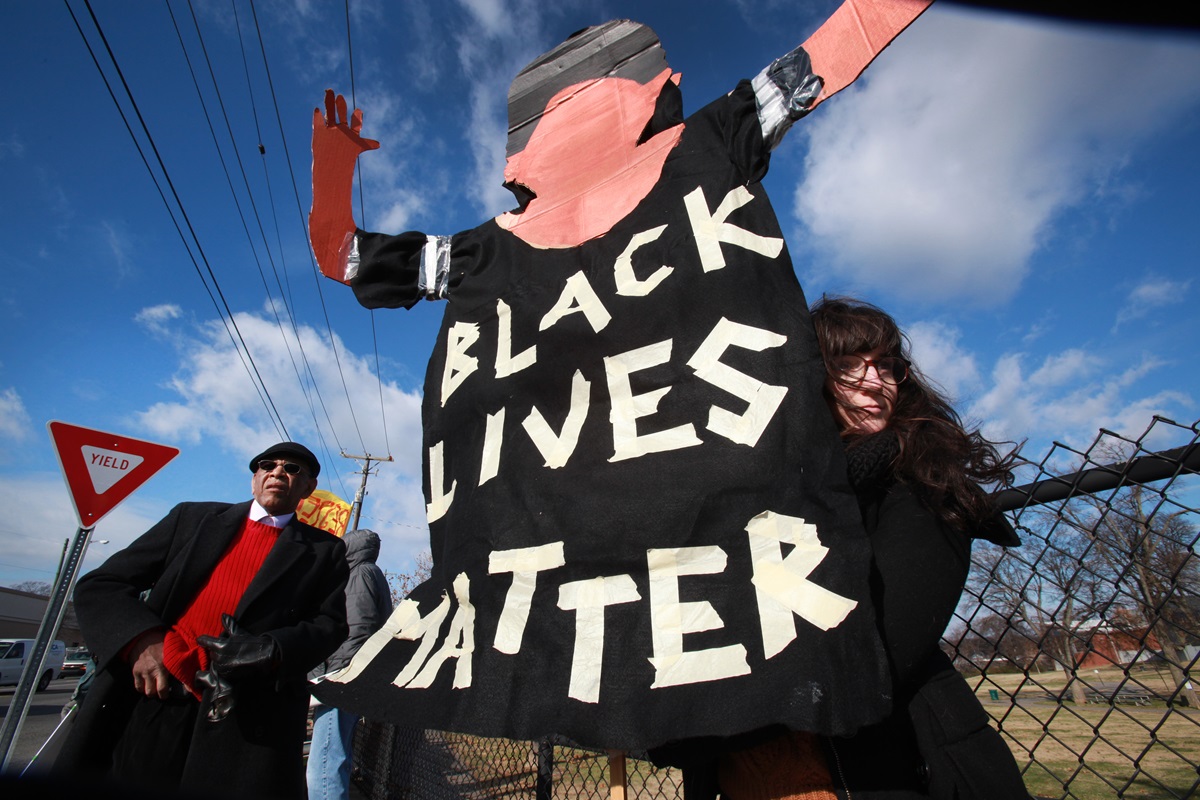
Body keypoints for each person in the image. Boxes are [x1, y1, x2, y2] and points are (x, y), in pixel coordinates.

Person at [711, 297, 1030, 799]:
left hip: (902, 765)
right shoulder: (777, 497)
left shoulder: (922, 486)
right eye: (846, 365)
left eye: (886, 365)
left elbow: (879, 654)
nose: (874, 380)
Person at [53, 441, 349, 800]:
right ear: (254, 479)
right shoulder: (192, 520)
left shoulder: (325, 551)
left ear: (307, 488)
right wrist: (142, 643)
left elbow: (329, 625)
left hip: (245, 717)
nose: (278, 472)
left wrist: (272, 650)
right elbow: (103, 585)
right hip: (156, 697)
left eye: (292, 469)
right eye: (267, 465)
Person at [307, 528, 393, 800]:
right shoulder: (365, 571)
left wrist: (333, 675)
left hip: (341, 680)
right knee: (332, 756)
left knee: (325, 761)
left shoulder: (359, 573)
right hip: (346, 676)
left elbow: (358, 629)